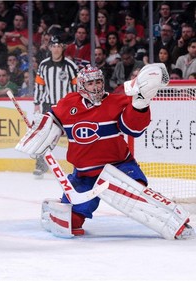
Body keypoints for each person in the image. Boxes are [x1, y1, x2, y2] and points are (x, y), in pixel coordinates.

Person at [16, 64, 195, 240]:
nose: (96, 87)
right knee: (72, 221)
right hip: (85, 175)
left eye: (99, 82)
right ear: (81, 86)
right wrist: (41, 130)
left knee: (135, 196)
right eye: (91, 83)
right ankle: (62, 210)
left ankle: (177, 223)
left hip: (119, 168)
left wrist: (140, 105)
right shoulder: (68, 104)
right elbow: (52, 121)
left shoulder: (116, 102)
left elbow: (133, 129)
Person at [33, 35, 78, 178]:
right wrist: (36, 104)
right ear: (50, 47)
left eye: (59, 46)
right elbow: (39, 85)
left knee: (75, 136)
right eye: (54, 46)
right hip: (49, 106)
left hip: (67, 106)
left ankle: (79, 166)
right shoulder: (44, 65)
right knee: (45, 136)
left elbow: (77, 87)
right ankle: (41, 165)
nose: (56, 49)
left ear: (63, 47)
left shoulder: (71, 66)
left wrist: (78, 105)